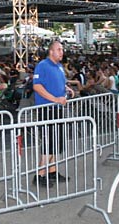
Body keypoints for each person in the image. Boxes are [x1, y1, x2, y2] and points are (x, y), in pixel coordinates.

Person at [32, 41, 74, 187]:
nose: (62, 52)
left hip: (58, 109)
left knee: (57, 142)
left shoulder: (59, 67)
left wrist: (66, 88)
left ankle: (52, 171)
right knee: (49, 143)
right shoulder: (43, 65)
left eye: (62, 49)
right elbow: (37, 86)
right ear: (51, 51)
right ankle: (39, 174)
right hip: (47, 109)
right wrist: (55, 99)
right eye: (59, 49)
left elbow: (58, 82)